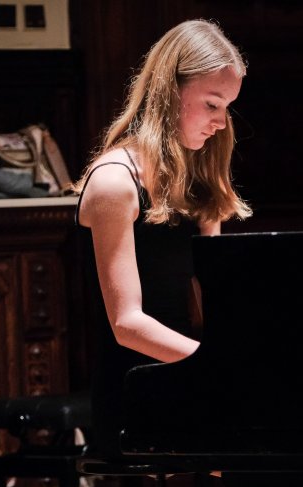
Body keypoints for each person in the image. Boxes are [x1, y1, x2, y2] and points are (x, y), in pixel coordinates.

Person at [73, 19, 251, 457]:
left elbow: (210, 294)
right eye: (212, 104)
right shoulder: (114, 182)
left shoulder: (197, 176)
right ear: (170, 90)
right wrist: (216, 368)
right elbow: (127, 325)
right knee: (274, 449)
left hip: (189, 372)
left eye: (227, 107)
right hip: (136, 388)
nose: (221, 122)